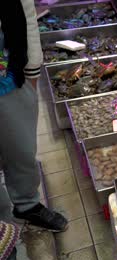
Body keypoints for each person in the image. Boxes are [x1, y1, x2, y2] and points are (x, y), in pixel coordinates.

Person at [0, 0, 68, 232]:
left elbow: (26, 10)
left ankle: (26, 205)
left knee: (22, 147)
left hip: (8, 74)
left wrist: (32, 68)